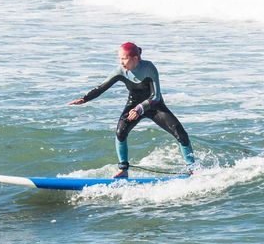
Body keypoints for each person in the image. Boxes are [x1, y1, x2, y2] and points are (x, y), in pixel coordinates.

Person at [67, 42, 195, 179]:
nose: (121, 62)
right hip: (133, 104)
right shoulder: (120, 70)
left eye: (124, 58)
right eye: (120, 58)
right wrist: (85, 99)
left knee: (181, 133)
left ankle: (192, 169)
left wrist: (140, 108)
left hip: (154, 105)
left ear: (135, 58)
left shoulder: (148, 68)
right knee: (120, 132)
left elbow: (156, 96)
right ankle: (123, 170)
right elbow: (101, 87)